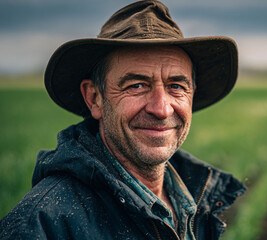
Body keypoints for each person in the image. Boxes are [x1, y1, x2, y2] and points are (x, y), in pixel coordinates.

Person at [0, 1, 246, 239]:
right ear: (95, 98)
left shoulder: (197, 199)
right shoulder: (42, 225)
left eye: (176, 86)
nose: (161, 109)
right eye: (137, 85)